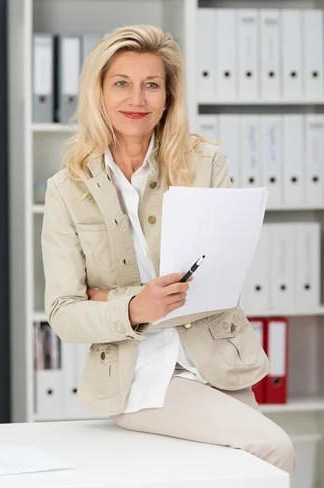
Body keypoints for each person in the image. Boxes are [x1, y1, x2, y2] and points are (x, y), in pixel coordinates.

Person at [41, 25, 295, 476]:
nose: (136, 100)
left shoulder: (205, 163)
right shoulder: (67, 189)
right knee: (273, 449)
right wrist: (137, 307)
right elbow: (63, 313)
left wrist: (108, 299)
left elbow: (219, 284)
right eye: (121, 83)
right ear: (99, 92)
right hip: (139, 378)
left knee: (242, 474)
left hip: (219, 364)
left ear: (167, 96)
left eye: (151, 85)